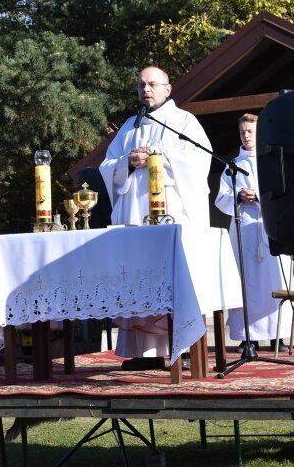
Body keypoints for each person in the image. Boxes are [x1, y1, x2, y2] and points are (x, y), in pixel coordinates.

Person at [99, 66, 212, 371]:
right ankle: (144, 353)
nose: (145, 90)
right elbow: (106, 165)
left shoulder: (183, 121)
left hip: (169, 212)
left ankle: (184, 347)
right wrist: (127, 162)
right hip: (134, 216)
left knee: (171, 277)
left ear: (167, 88)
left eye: (151, 84)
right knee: (136, 276)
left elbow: (200, 160)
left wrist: (160, 155)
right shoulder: (129, 127)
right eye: (140, 85)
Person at [214, 113, 294, 352]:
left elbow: (285, 191)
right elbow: (220, 199)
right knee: (246, 282)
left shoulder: (272, 160)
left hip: (271, 227)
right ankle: (247, 336)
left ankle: (276, 335)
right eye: (242, 132)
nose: (246, 136)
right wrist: (238, 196)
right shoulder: (232, 167)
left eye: (250, 131)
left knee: (275, 280)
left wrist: (258, 195)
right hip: (245, 229)